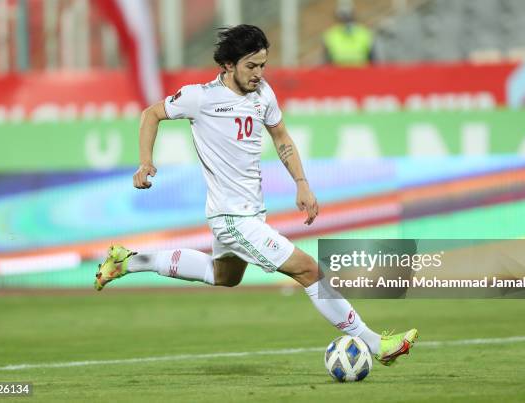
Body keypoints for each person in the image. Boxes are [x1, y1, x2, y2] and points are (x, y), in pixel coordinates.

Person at [94, 24, 416, 366]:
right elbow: (151, 114)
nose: (259, 74)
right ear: (228, 65)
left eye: (263, 65)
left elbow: (281, 137)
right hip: (231, 217)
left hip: (248, 213)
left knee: (224, 276)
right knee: (308, 269)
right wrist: (146, 162)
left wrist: (302, 182)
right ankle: (376, 344)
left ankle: (130, 260)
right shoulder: (200, 97)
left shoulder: (263, 93)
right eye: (252, 66)